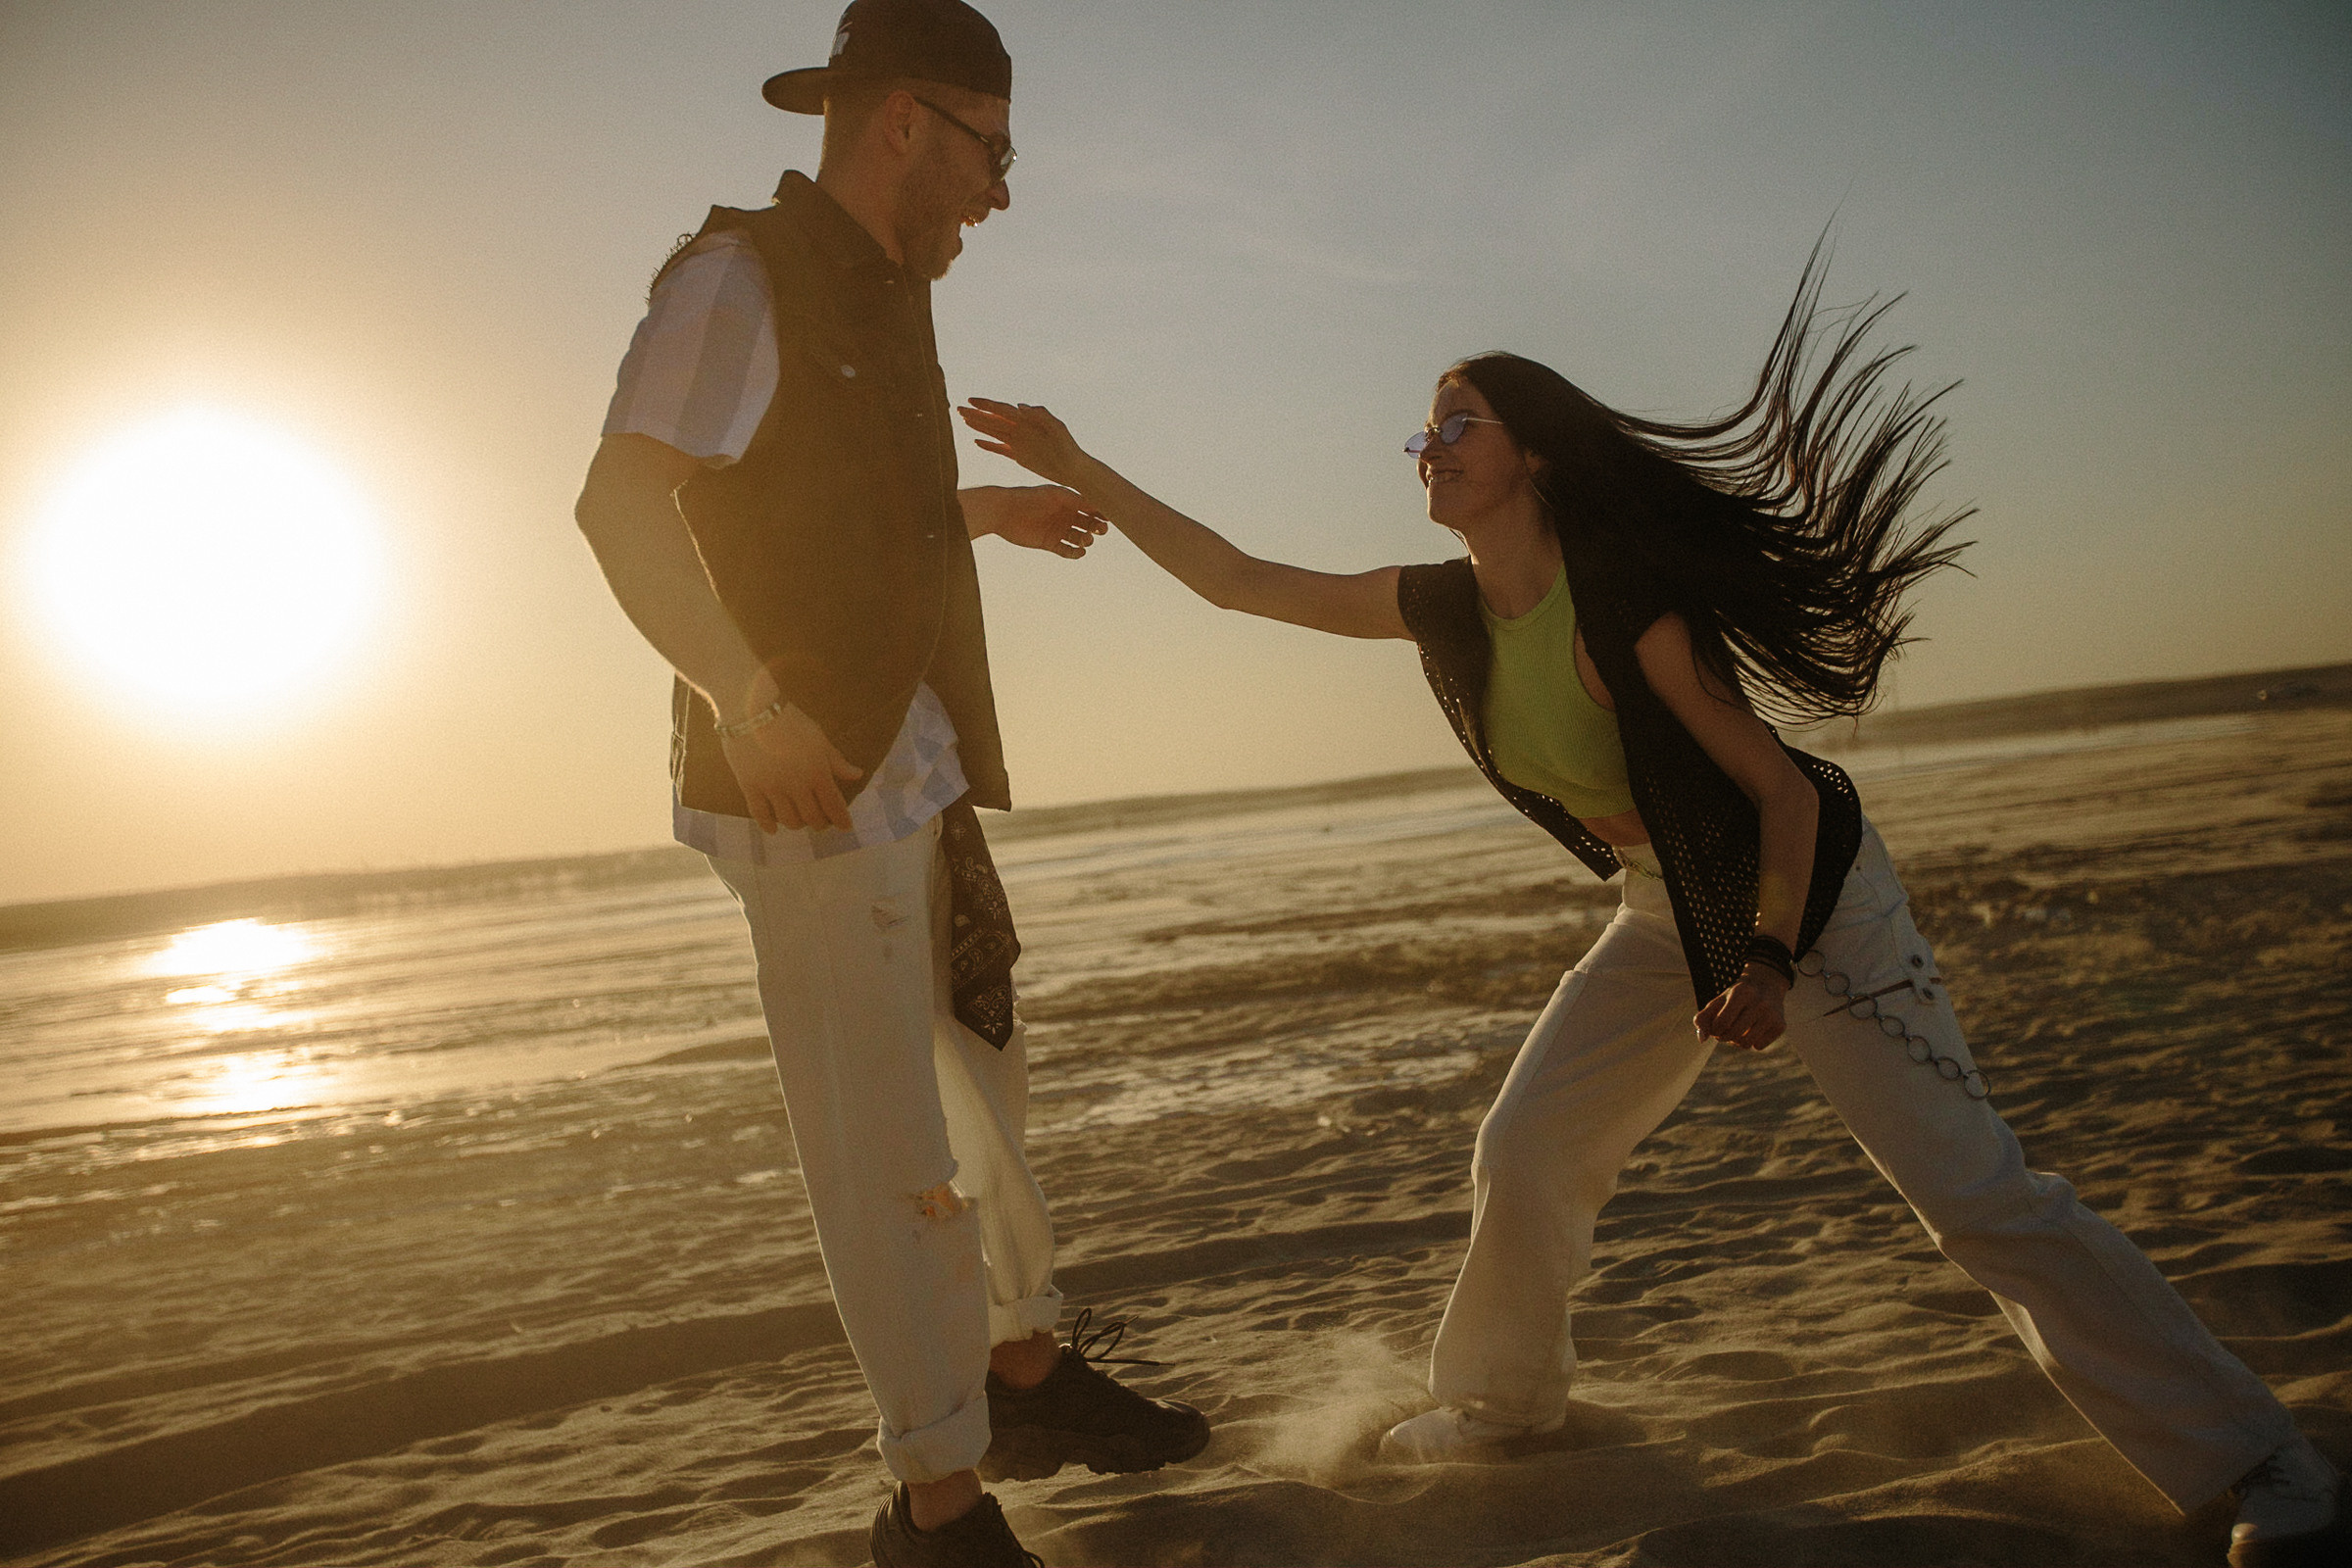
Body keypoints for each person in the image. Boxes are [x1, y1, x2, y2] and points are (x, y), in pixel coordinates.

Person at [956, 257, 2343, 1566]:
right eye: (1423, 431)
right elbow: (1238, 580)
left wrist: (1770, 958)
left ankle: (2262, 1465)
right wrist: (1082, 469)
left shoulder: (1626, 605)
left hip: (1815, 904)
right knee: (1529, 1147)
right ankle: (1507, 1408)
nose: (1427, 447)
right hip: (1665, 904)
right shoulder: (1448, 608)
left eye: (1457, 424)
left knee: (1974, 1202)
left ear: (1532, 455)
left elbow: (1784, 800)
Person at [571, 3, 1207, 1563]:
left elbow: (837, 498)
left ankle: (1023, 1364)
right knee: (884, 1148)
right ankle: (935, 1500)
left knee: (983, 1077)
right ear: (907, 124)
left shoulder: (885, 283)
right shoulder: (738, 275)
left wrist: (981, 509)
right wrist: (746, 697)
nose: (1000, 193)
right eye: (995, 153)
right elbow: (623, 505)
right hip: (809, 780)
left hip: (915, 760)